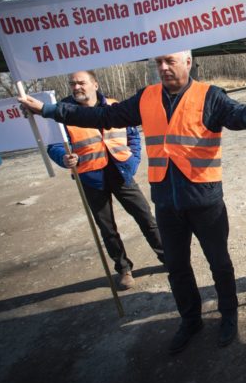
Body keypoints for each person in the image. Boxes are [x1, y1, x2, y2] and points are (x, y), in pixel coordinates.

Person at [20, 50, 246, 355]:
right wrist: (49, 110)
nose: (163, 67)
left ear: (188, 62)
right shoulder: (146, 98)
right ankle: (191, 320)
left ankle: (229, 315)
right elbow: (103, 116)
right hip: (166, 202)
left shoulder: (210, 96)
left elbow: (243, 118)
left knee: (220, 263)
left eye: (170, 61)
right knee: (176, 268)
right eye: (158, 62)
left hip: (205, 200)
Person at [48, 70, 164, 290]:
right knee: (107, 228)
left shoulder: (113, 105)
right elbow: (53, 145)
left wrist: (133, 160)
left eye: (81, 83)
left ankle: (167, 257)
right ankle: (123, 269)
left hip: (121, 172)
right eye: (72, 84)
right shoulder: (62, 113)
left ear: (95, 84)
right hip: (90, 177)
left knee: (146, 218)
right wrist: (64, 158)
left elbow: (132, 135)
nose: (76, 87)